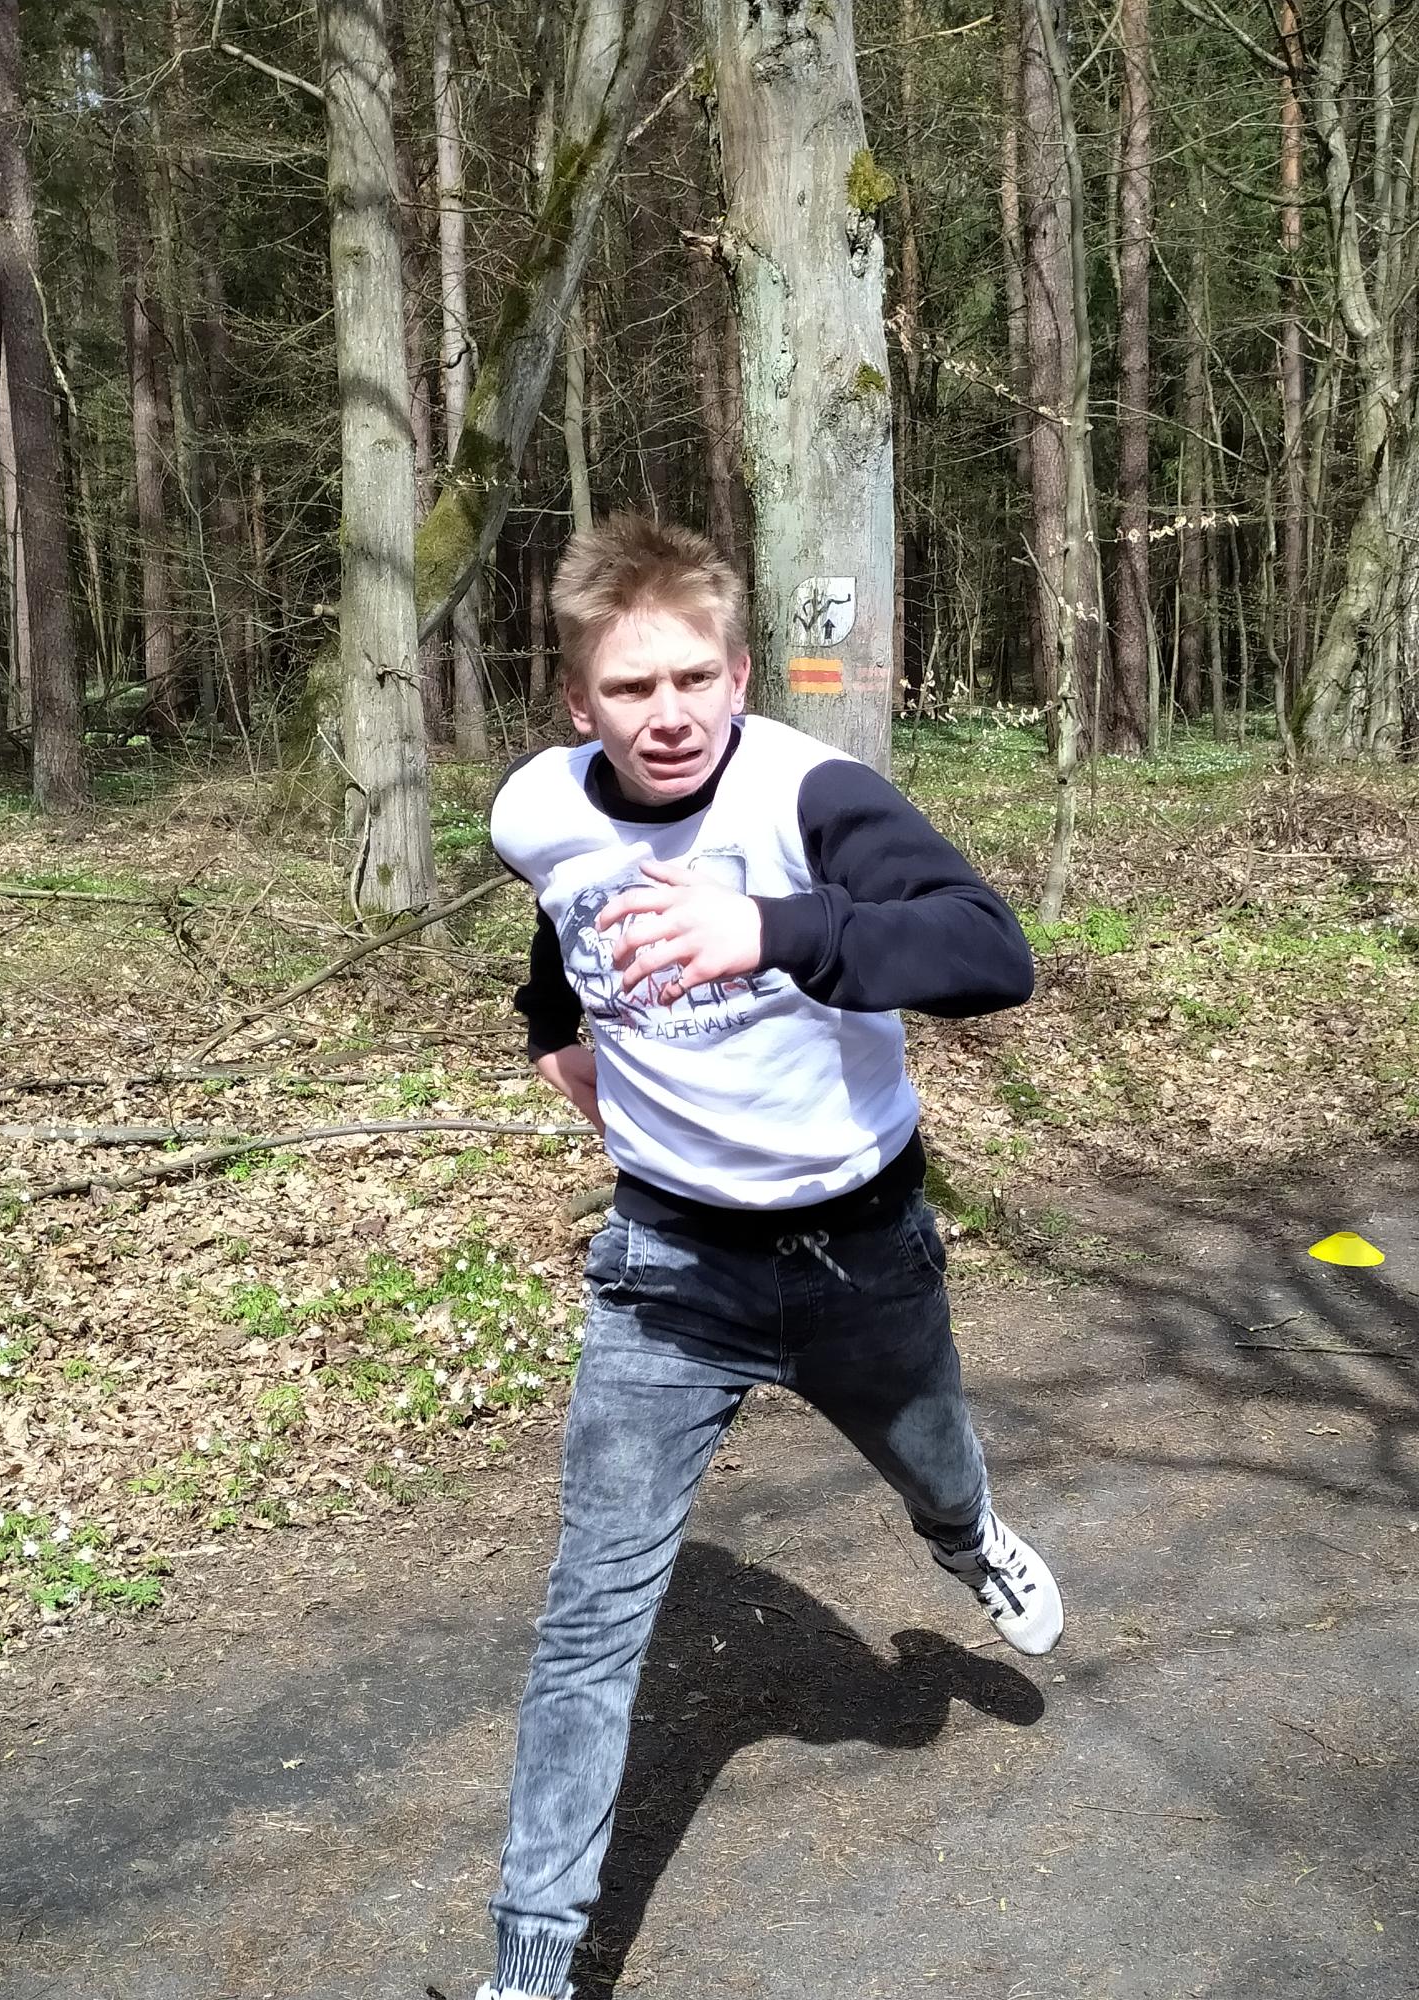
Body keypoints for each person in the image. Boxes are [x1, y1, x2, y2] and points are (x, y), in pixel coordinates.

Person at [479, 514, 1062, 2000]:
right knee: (590, 1618)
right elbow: (565, 925)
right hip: (669, 1273)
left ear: (740, 676)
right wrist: (554, 1036)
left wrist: (776, 929)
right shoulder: (535, 811)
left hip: (861, 1252)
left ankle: (968, 1540)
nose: (667, 713)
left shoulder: (811, 796)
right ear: (578, 703)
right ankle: (532, 1967)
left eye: (694, 678)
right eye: (631, 688)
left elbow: (989, 950)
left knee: (937, 1468)